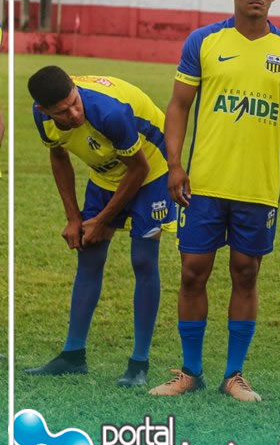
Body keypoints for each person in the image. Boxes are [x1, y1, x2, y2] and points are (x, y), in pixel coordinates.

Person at [148, 0, 280, 402]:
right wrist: (176, 165)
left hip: (258, 187)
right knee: (193, 272)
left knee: (246, 273)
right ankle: (190, 371)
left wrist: (270, 148)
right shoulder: (204, 41)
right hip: (204, 185)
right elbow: (179, 106)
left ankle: (234, 375)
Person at [25, 67, 171, 386]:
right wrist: (73, 218)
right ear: (43, 110)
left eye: (74, 103)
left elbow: (139, 169)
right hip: (106, 171)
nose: (74, 114)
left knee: (143, 259)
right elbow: (58, 157)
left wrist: (104, 220)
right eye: (63, 111)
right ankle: (73, 355)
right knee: (89, 255)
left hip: (153, 167)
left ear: (75, 89)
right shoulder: (42, 119)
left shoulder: (109, 112)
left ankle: (139, 363)